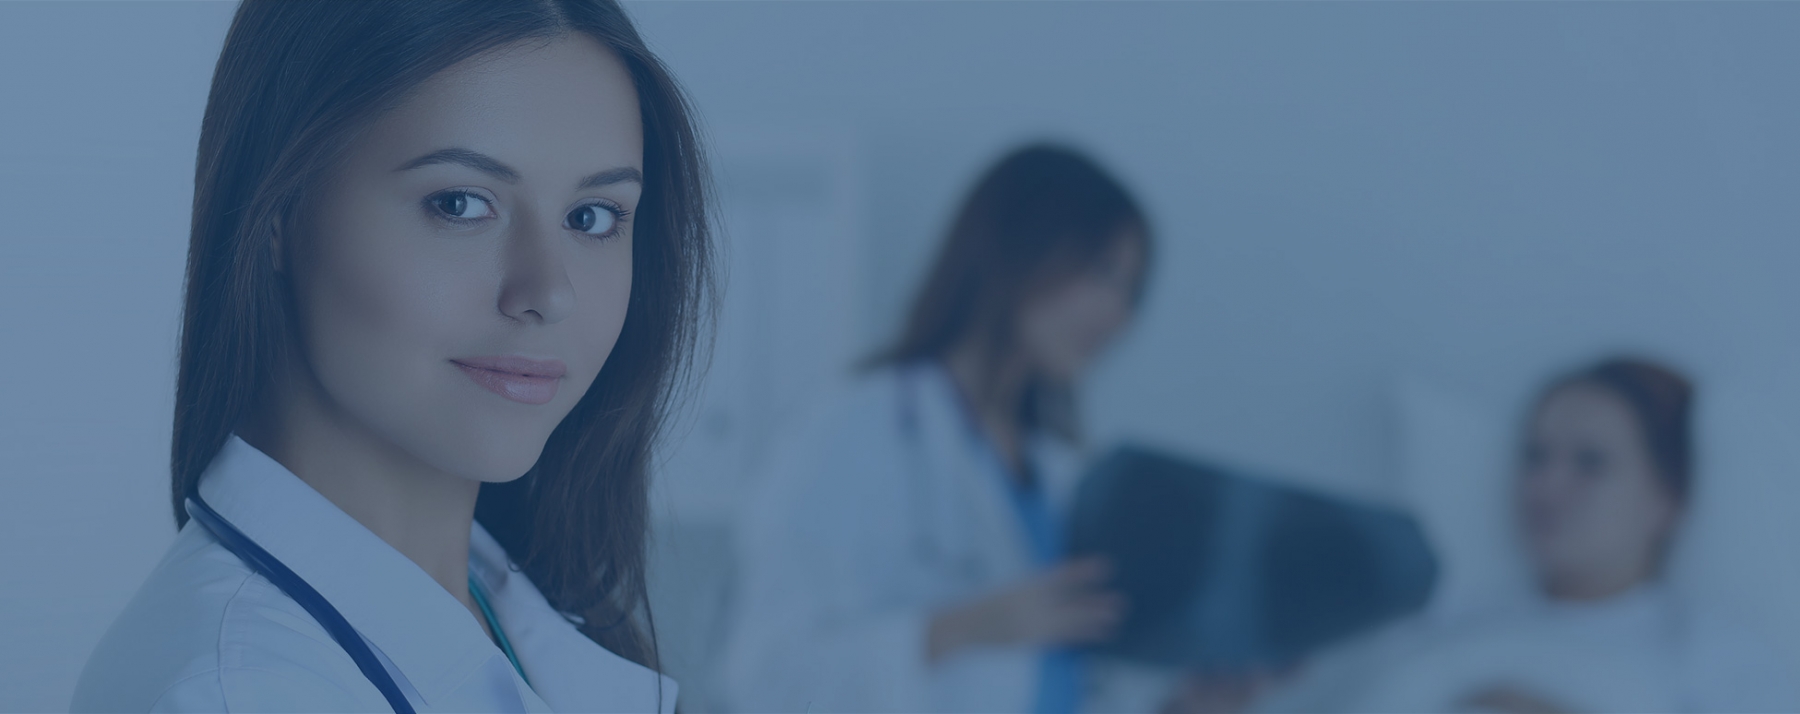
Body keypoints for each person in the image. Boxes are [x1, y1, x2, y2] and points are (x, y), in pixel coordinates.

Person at [71, 1, 713, 711]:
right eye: (460, 204)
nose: (547, 293)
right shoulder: (240, 692)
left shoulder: (506, 608)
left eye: (592, 217)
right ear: (278, 212)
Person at [721, 144, 1153, 713]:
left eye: (1130, 290)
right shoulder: (856, 430)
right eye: (1101, 272)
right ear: (1018, 246)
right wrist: (955, 630)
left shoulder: (1061, 473)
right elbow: (763, 679)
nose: (1115, 313)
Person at [1168, 358, 1799, 713]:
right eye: (1534, 457)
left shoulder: (1719, 668)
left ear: (1667, 501)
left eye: (1590, 463)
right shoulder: (1433, 629)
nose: (1547, 486)